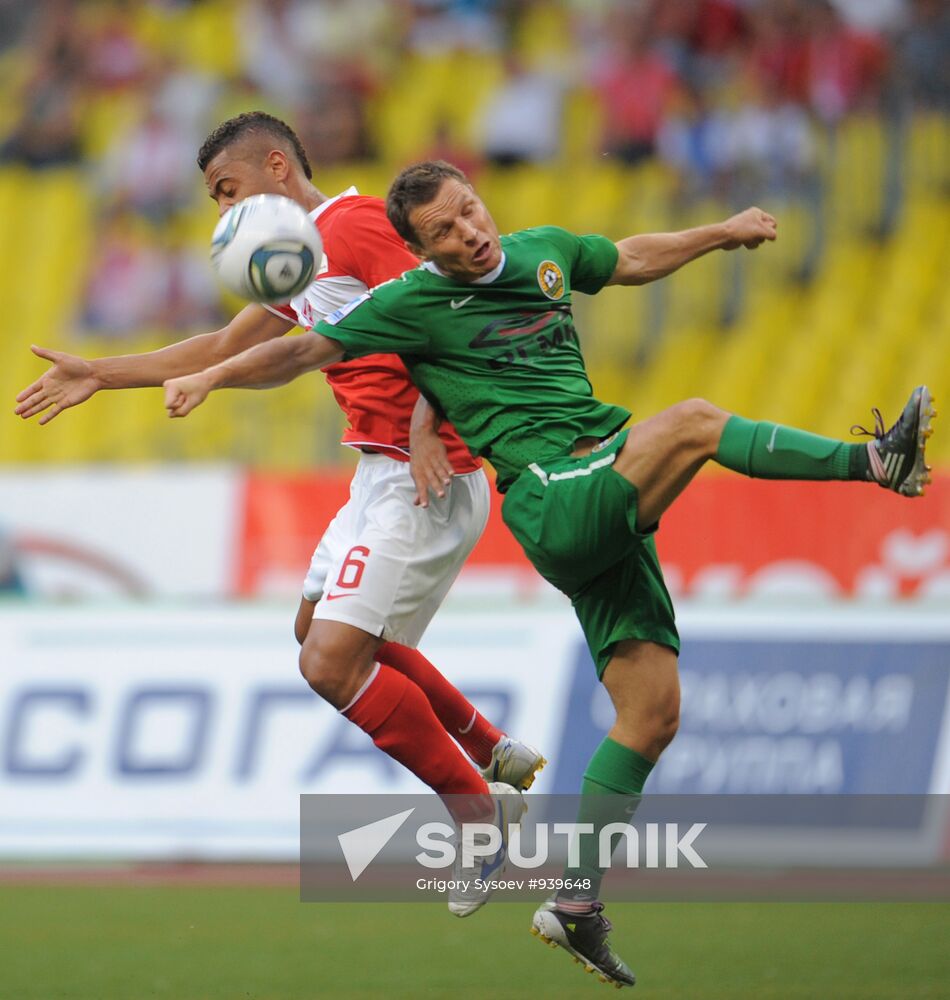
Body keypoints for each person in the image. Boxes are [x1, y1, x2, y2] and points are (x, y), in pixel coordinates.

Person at [159, 160, 935, 987]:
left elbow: (630, 256)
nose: (468, 232)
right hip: (551, 497)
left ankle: (573, 907)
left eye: (469, 211)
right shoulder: (410, 303)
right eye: (445, 233)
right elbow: (306, 349)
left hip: (602, 477)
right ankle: (873, 461)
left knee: (653, 714)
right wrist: (210, 374)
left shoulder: (544, 254)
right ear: (423, 252)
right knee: (695, 425)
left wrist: (719, 233)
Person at [14, 118, 545, 915]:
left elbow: (448, 315)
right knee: (317, 635)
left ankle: (479, 813)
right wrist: (103, 371)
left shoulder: (358, 224)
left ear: (275, 166)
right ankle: (491, 749)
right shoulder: (298, 265)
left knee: (332, 663)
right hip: (376, 476)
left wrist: (432, 423)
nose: (222, 211)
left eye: (227, 191)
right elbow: (223, 348)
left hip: (423, 472)